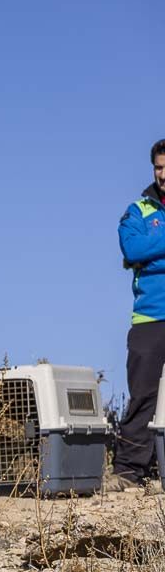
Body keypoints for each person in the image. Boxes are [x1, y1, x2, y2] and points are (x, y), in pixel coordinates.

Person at [109, 139, 165, 491]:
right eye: (159, 167)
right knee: (142, 395)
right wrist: (144, 254)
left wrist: (152, 254)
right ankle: (128, 470)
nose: (163, 174)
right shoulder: (138, 210)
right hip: (149, 318)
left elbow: (145, 253)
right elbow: (132, 247)